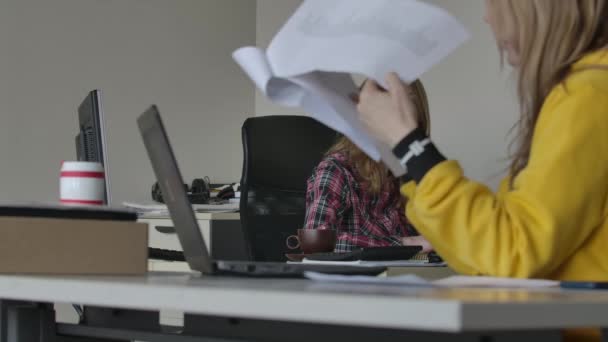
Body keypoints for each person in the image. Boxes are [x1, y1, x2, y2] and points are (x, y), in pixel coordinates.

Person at [357, 1, 608, 339]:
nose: (488, 18)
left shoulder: (588, 96)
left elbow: (510, 253)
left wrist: (408, 142)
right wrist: (406, 157)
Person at [304, 79, 432, 253]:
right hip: (355, 279)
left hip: (407, 273)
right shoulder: (337, 169)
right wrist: (406, 243)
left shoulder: (412, 172)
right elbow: (315, 244)